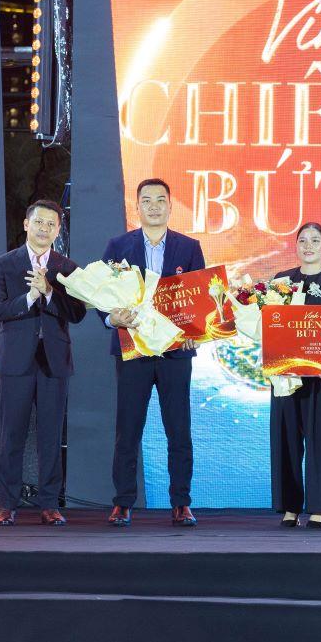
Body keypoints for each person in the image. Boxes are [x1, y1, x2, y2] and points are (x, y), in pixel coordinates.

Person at [100, 179, 205, 528]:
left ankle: (181, 503)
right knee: (128, 429)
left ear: (170, 206)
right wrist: (110, 318)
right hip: (133, 349)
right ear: (138, 207)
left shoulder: (189, 248)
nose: (154, 206)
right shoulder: (118, 246)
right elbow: (102, 293)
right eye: (147, 200)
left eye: (161, 200)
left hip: (176, 351)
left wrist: (195, 333)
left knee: (179, 429)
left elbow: (200, 299)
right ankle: (122, 503)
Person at [0, 200, 86, 526]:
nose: (44, 229)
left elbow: (78, 313)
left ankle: (49, 505)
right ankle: (7, 505)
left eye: (51, 224)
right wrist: (29, 297)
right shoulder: (4, 264)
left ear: (58, 230)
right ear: (27, 224)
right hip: (15, 362)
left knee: (51, 437)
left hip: (54, 362)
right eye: (39, 222)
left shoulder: (67, 267)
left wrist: (50, 292)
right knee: (11, 435)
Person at [270, 222, 321, 529]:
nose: (308, 246)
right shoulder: (281, 281)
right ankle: (289, 506)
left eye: (315, 240)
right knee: (286, 438)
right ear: (295, 245)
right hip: (287, 372)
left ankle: (319, 507)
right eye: (302, 240)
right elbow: (273, 325)